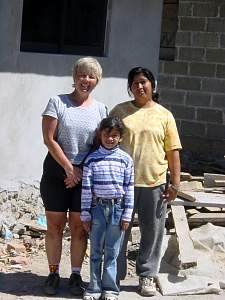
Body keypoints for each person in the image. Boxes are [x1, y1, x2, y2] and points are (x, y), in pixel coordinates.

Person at [110, 67, 182, 296]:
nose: (140, 87)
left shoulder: (164, 115)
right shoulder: (120, 111)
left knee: (152, 233)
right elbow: (105, 141)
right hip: (122, 184)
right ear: (129, 87)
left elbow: (173, 152)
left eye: (144, 82)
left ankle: (147, 277)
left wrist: (175, 184)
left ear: (152, 84)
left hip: (155, 184)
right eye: (135, 83)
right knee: (119, 231)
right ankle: (113, 275)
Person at [40, 57, 108, 296]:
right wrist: (69, 169)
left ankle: (76, 275)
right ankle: (52, 274)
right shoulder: (57, 102)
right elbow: (49, 139)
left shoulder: (101, 109)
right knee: (55, 227)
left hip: (84, 175)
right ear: (74, 76)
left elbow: (99, 145)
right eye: (82, 75)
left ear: (97, 81)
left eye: (91, 76)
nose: (86, 80)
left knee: (79, 228)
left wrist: (80, 172)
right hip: (57, 173)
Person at [80, 116, 134, 300]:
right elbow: (86, 189)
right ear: (100, 135)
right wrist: (85, 214)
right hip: (97, 209)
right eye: (106, 135)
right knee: (96, 251)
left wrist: (127, 214)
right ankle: (94, 288)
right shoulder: (92, 159)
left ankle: (110, 289)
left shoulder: (125, 160)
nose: (110, 139)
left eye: (114, 135)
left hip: (117, 211)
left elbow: (129, 188)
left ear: (120, 137)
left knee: (112, 252)